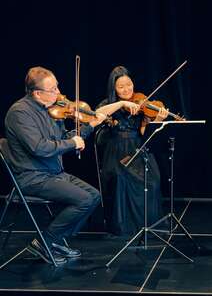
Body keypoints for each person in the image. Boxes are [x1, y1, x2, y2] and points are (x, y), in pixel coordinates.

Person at [4, 66, 105, 265]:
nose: (59, 93)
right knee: (83, 199)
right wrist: (72, 143)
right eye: (53, 89)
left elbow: (63, 139)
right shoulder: (19, 113)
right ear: (37, 93)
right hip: (32, 177)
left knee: (94, 196)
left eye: (57, 87)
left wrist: (88, 127)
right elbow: (39, 148)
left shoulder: (50, 111)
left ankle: (54, 240)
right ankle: (45, 241)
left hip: (53, 172)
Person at [95, 66, 168, 237]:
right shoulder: (108, 104)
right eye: (121, 87)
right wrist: (121, 103)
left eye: (129, 84)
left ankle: (148, 225)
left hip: (138, 147)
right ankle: (125, 227)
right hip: (116, 150)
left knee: (153, 181)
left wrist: (156, 119)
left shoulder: (141, 102)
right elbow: (95, 115)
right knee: (121, 179)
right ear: (113, 88)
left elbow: (144, 132)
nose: (127, 89)